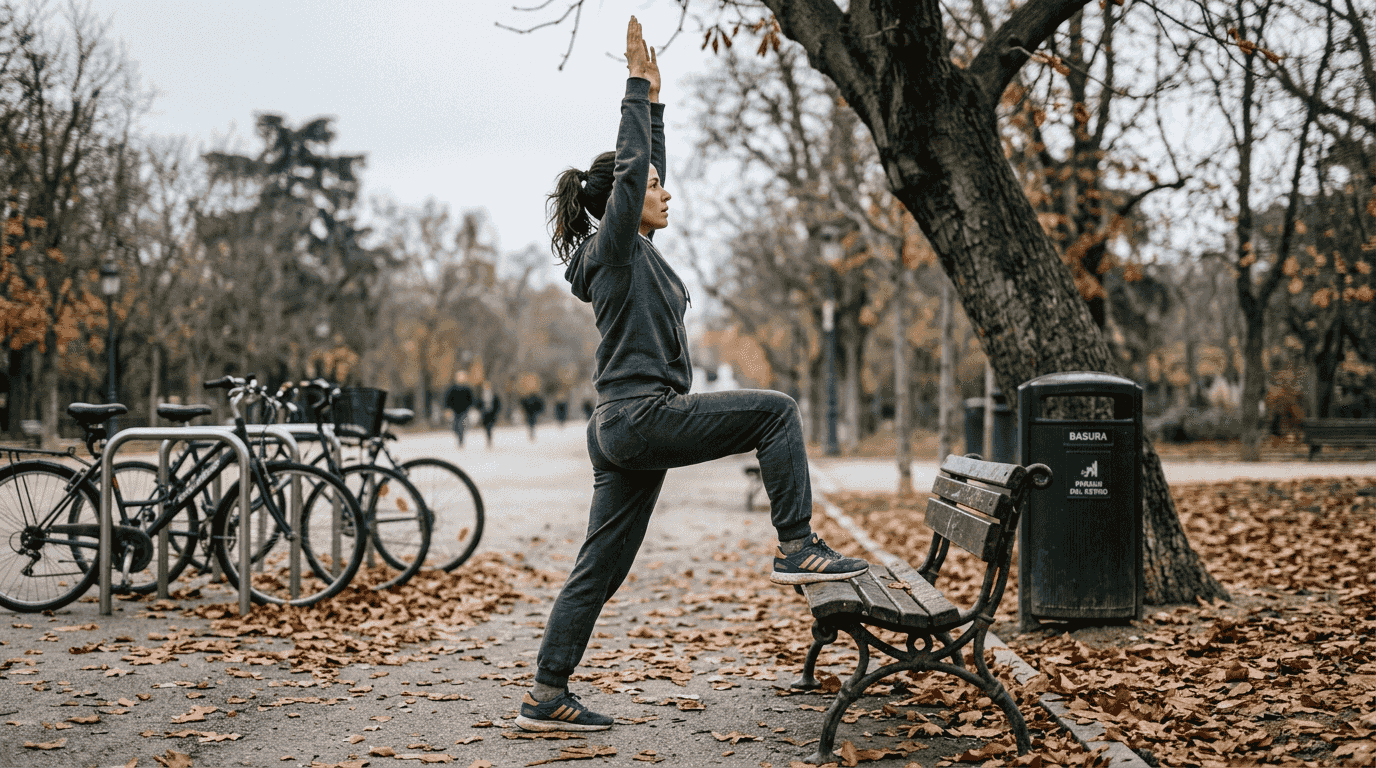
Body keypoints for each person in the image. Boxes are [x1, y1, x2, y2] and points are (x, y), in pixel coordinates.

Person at [515, 16, 868, 734]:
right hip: (642, 417)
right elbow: (634, 169)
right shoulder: (614, 249)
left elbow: (648, 171)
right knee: (777, 410)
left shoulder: (631, 248)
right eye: (651, 188)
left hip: (620, 426)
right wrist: (635, 90)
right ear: (622, 200)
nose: (668, 194)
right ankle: (797, 545)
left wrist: (660, 105)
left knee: (599, 570)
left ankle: (546, 693)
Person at [444, 371, 475, 448]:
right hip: (454, 411)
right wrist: (447, 409)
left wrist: (472, 407)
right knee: (455, 426)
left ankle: (461, 439)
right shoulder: (452, 389)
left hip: (464, 410)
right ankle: (459, 436)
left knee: (461, 425)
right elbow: (447, 399)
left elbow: (472, 400)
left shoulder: (467, 389)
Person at [478, 384, 501, 449]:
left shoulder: (494, 395)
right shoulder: (481, 395)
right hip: (484, 414)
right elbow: (478, 403)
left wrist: (496, 412)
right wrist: (481, 410)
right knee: (486, 427)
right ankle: (488, 438)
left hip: (492, 414)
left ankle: (489, 439)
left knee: (489, 427)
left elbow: (497, 404)